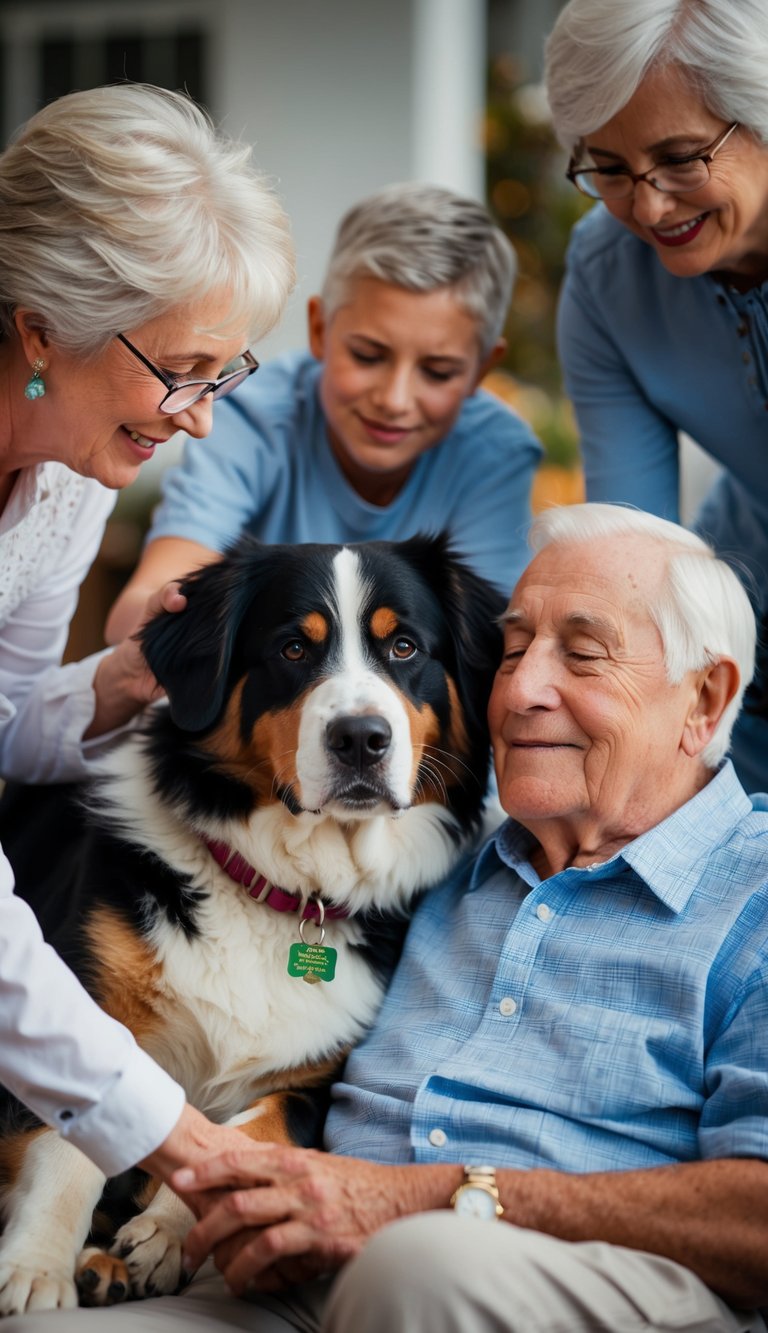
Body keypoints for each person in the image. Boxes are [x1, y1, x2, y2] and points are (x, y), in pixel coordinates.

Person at [25, 503, 768, 1333]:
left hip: (554, 1277)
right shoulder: (428, 867)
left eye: (583, 655)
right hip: (288, 1271)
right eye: (509, 649)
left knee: (420, 1263)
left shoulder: (756, 893)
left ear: (706, 697)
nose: (517, 690)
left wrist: (435, 1198)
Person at [0, 82, 295, 1203]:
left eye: (223, 371)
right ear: (43, 329)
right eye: (181, 368)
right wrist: (169, 1133)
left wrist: (125, 680)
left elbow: (14, 725)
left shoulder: (72, 468)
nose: (201, 413)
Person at [105, 182, 542, 642]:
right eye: (368, 356)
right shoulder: (251, 417)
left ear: (481, 369)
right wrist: (162, 620)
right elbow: (148, 603)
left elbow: (491, 644)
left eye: (437, 372)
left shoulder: (495, 453)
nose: (394, 399)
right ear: (319, 328)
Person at [543, 0, 768, 797]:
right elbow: (633, 553)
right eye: (608, 168)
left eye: (680, 157)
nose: (649, 207)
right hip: (744, 611)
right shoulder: (607, 278)